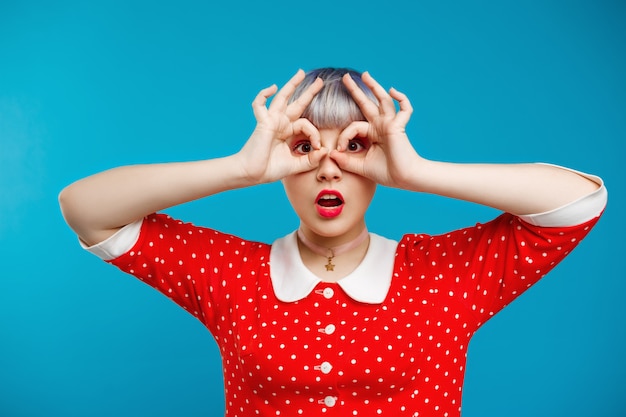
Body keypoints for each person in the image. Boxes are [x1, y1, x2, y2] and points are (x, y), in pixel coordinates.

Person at [59, 67, 607, 417]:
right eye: (303, 149)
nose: (329, 169)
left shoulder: (442, 274)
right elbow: (85, 210)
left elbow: (578, 202)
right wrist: (240, 167)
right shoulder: (233, 274)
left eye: (353, 149)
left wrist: (417, 170)